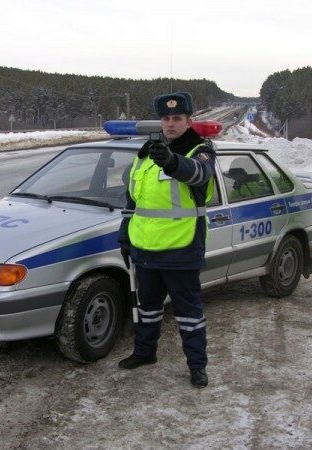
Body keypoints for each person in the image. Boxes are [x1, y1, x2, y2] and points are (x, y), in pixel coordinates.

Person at [117, 92, 216, 388]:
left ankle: (197, 366)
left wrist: (172, 162)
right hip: (144, 248)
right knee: (147, 308)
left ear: (188, 121)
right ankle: (145, 353)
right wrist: (125, 235)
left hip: (181, 248)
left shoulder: (201, 149)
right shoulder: (146, 152)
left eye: (177, 118)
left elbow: (200, 174)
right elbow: (134, 199)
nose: (170, 124)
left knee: (189, 315)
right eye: (166, 118)